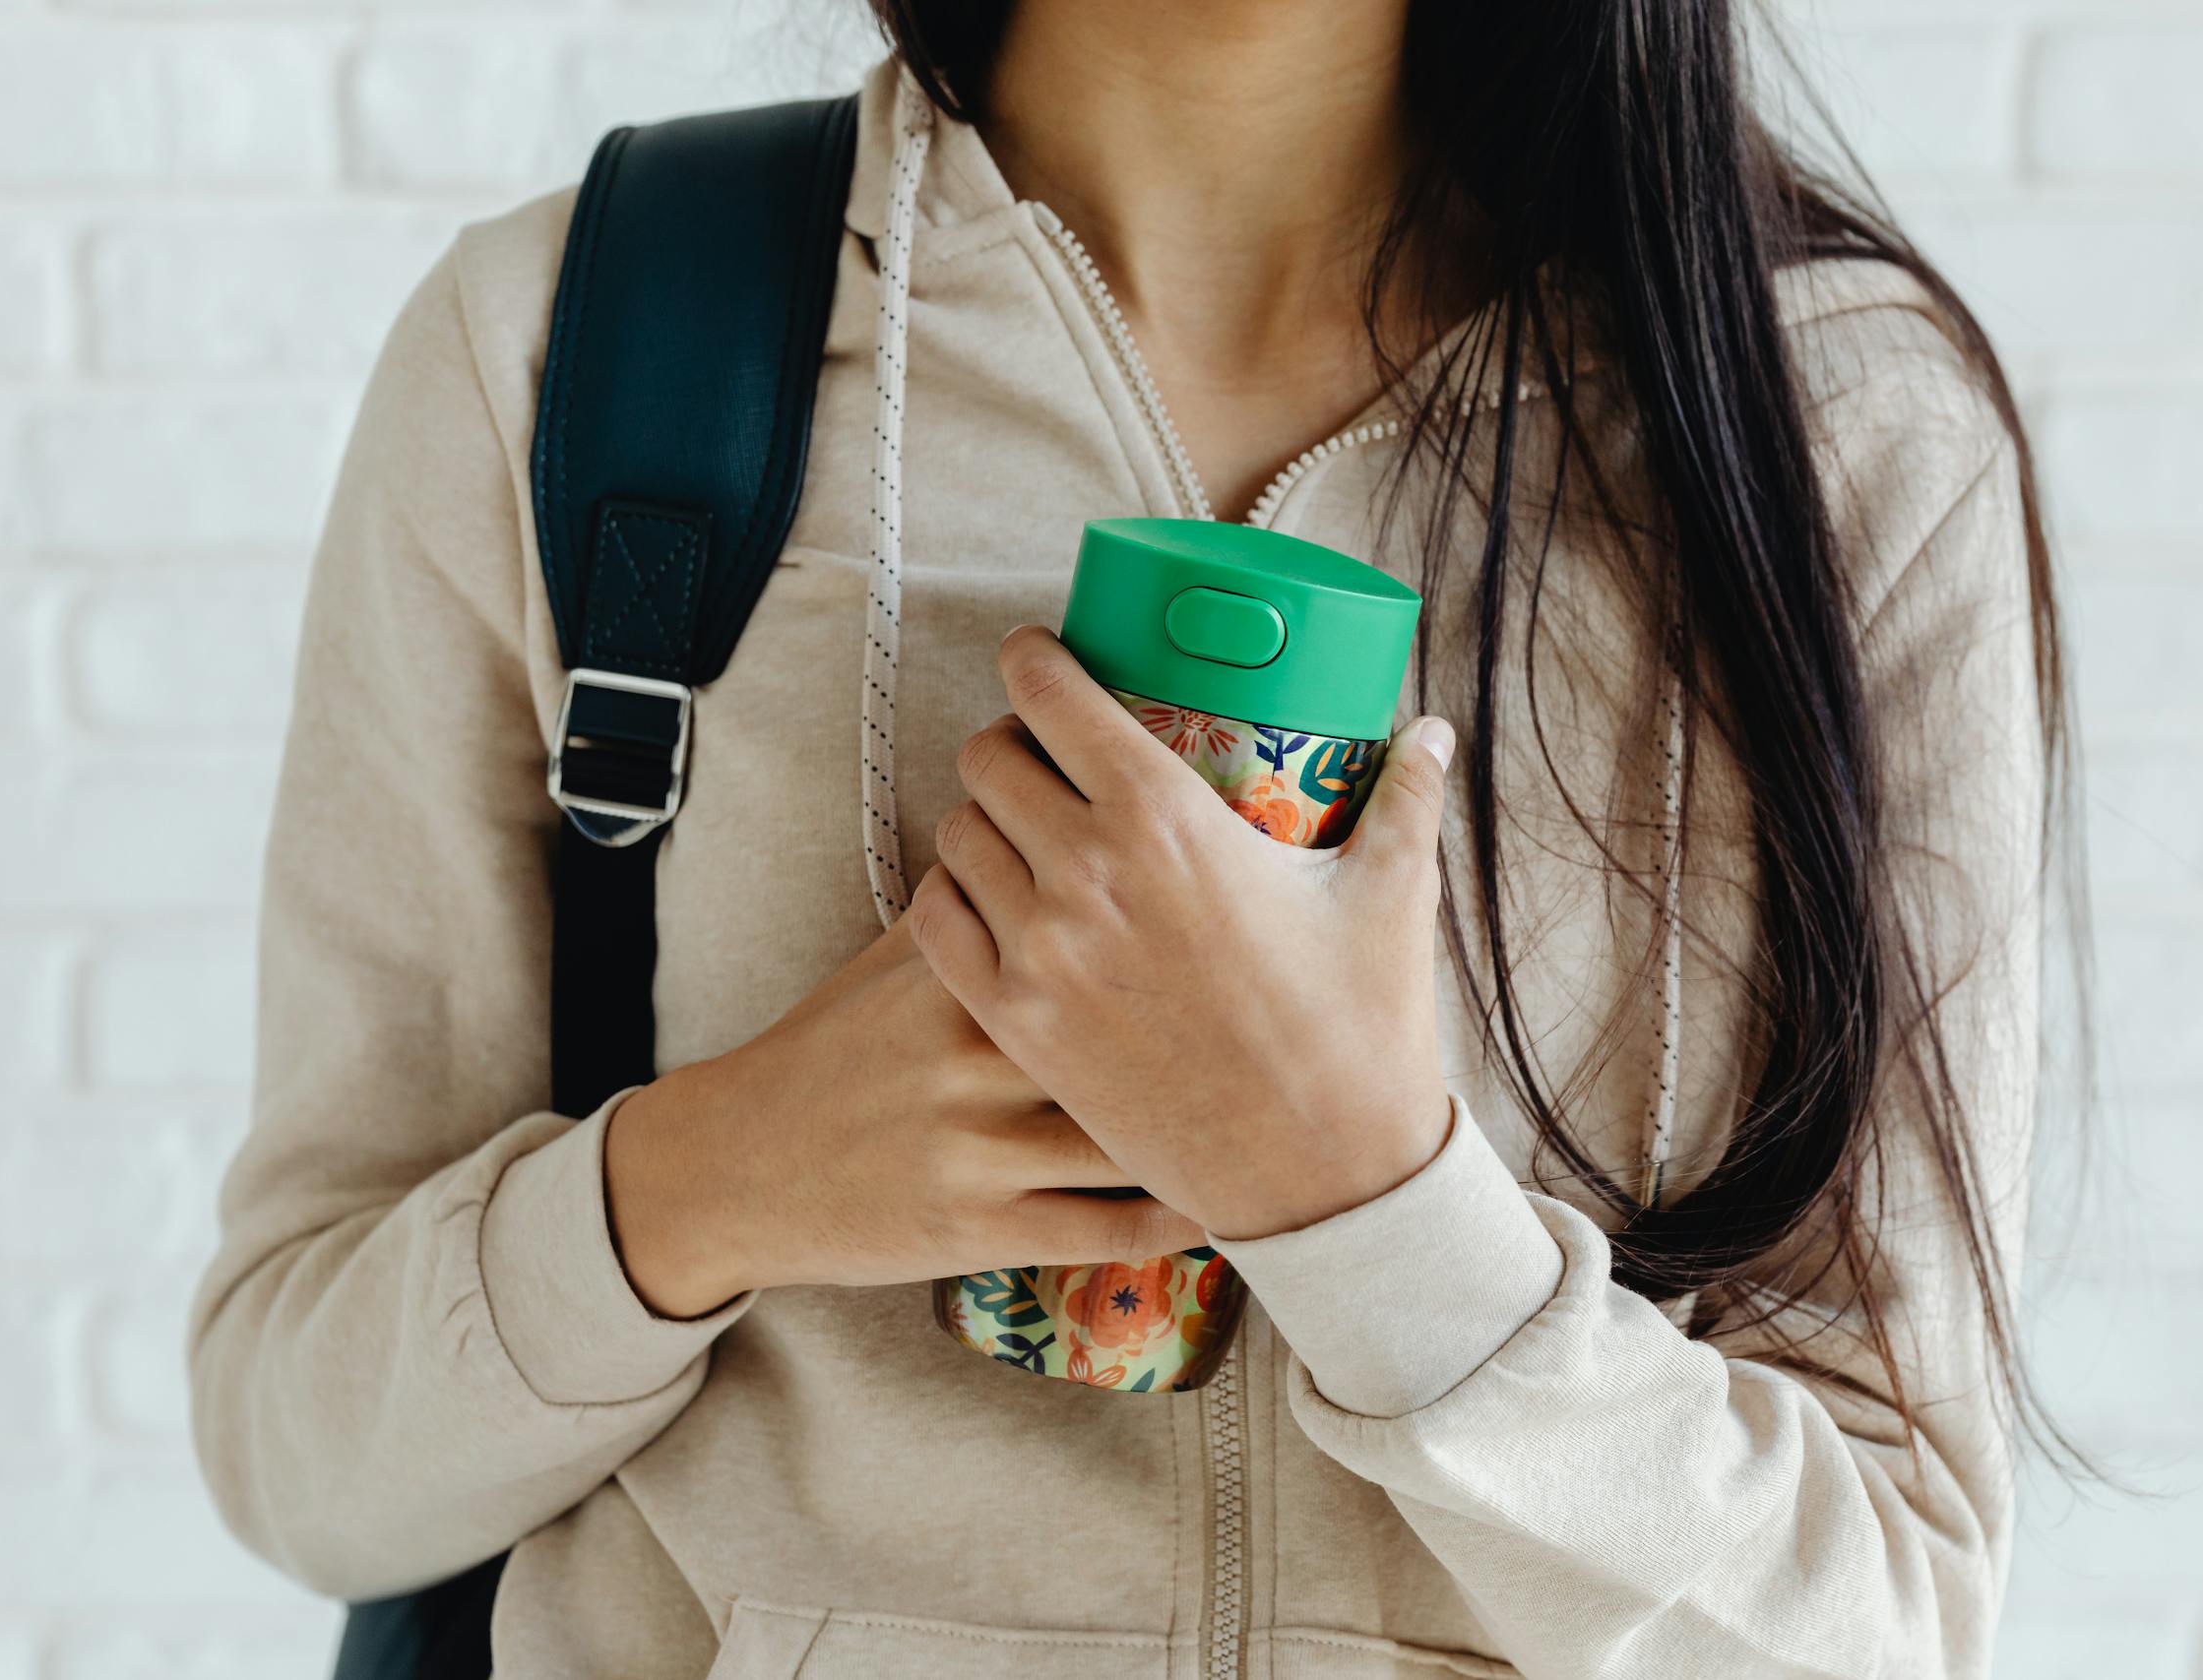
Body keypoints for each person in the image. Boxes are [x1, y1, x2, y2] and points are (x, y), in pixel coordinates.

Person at [189, 2, 2071, 1675]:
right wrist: (707, 1186)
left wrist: (1360, 1199)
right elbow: (303, 1450)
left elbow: (1878, 1630)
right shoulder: (571, 365)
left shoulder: (1838, 448)